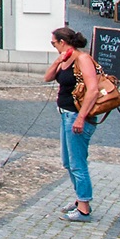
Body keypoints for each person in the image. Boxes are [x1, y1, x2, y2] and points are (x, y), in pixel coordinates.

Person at [44, 27, 101, 221]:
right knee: (68, 162)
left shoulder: (82, 59)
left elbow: (92, 90)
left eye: (54, 43)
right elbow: (48, 78)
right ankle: (80, 199)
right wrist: (59, 60)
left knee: (77, 163)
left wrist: (81, 117)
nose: (53, 47)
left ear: (62, 42)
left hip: (76, 116)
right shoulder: (65, 59)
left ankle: (84, 207)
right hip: (65, 115)